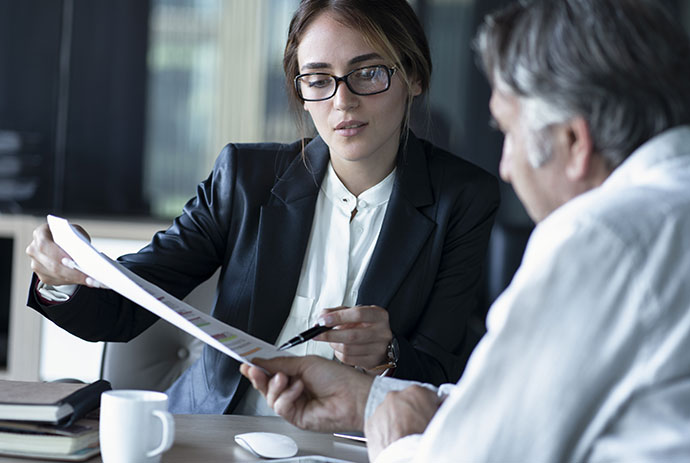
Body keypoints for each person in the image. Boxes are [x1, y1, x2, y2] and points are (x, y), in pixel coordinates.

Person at [240, 0, 690, 461]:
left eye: (509, 132)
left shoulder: (602, 238)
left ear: (573, 141)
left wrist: (397, 442)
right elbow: (531, 406)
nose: (508, 166)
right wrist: (367, 402)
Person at [25, 0, 499, 415]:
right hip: (217, 433)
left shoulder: (463, 198)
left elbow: (444, 374)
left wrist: (387, 353)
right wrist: (62, 276)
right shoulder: (245, 178)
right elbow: (122, 309)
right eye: (318, 79)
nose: (343, 101)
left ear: (413, 77)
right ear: (301, 92)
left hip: (356, 444)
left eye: (369, 73)